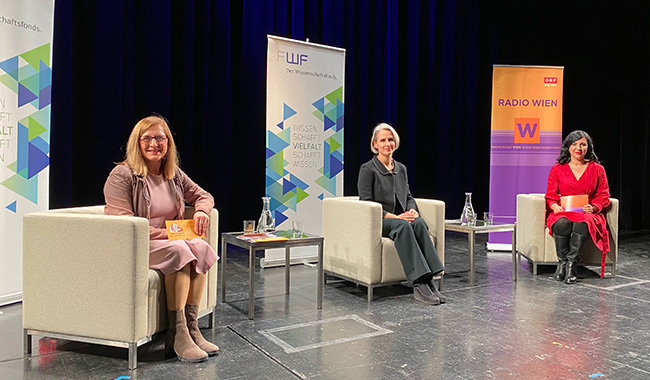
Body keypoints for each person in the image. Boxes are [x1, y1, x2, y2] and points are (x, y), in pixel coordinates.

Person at [104, 115, 219, 362]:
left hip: (168, 241)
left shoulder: (173, 174)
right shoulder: (122, 175)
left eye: (160, 138)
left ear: (168, 143)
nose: (154, 143)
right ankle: (176, 332)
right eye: (147, 138)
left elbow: (204, 195)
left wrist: (200, 210)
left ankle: (191, 327)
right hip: (135, 245)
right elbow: (125, 224)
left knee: (200, 246)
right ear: (137, 142)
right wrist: (172, 233)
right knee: (179, 249)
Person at [358, 123, 446, 305]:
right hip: (380, 221)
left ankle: (429, 277)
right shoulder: (368, 169)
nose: (387, 143)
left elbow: (408, 196)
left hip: (400, 219)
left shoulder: (401, 169)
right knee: (403, 225)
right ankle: (419, 282)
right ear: (375, 144)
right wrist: (396, 217)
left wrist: (412, 210)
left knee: (419, 222)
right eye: (383, 140)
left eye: (390, 139)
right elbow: (366, 204)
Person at [545, 130, 611, 284]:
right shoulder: (558, 169)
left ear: (588, 147)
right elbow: (551, 195)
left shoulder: (597, 169)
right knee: (561, 223)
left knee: (584, 222)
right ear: (568, 147)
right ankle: (562, 263)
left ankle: (571, 265)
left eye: (583, 144)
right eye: (574, 144)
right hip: (564, 211)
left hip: (586, 212)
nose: (578, 148)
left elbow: (604, 195)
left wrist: (594, 207)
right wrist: (554, 206)